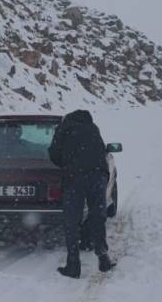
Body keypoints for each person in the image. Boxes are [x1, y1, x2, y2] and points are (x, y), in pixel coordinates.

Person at [48, 110, 116, 278]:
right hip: (97, 176)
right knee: (97, 215)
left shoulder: (64, 128)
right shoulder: (93, 128)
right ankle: (103, 257)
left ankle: (73, 265)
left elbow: (54, 153)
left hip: (74, 177)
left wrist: (66, 162)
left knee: (72, 220)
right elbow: (101, 151)